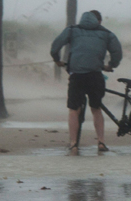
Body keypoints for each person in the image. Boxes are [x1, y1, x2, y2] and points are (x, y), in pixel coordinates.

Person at [50, 10, 122, 155]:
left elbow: (55, 46)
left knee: (74, 110)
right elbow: (117, 52)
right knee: (96, 109)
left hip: (77, 75)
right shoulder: (106, 33)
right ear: (99, 21)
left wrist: (57, 60)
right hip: (95, 75)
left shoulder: (72, 30)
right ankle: (101, 142)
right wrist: (111, 65)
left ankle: (73, 144)